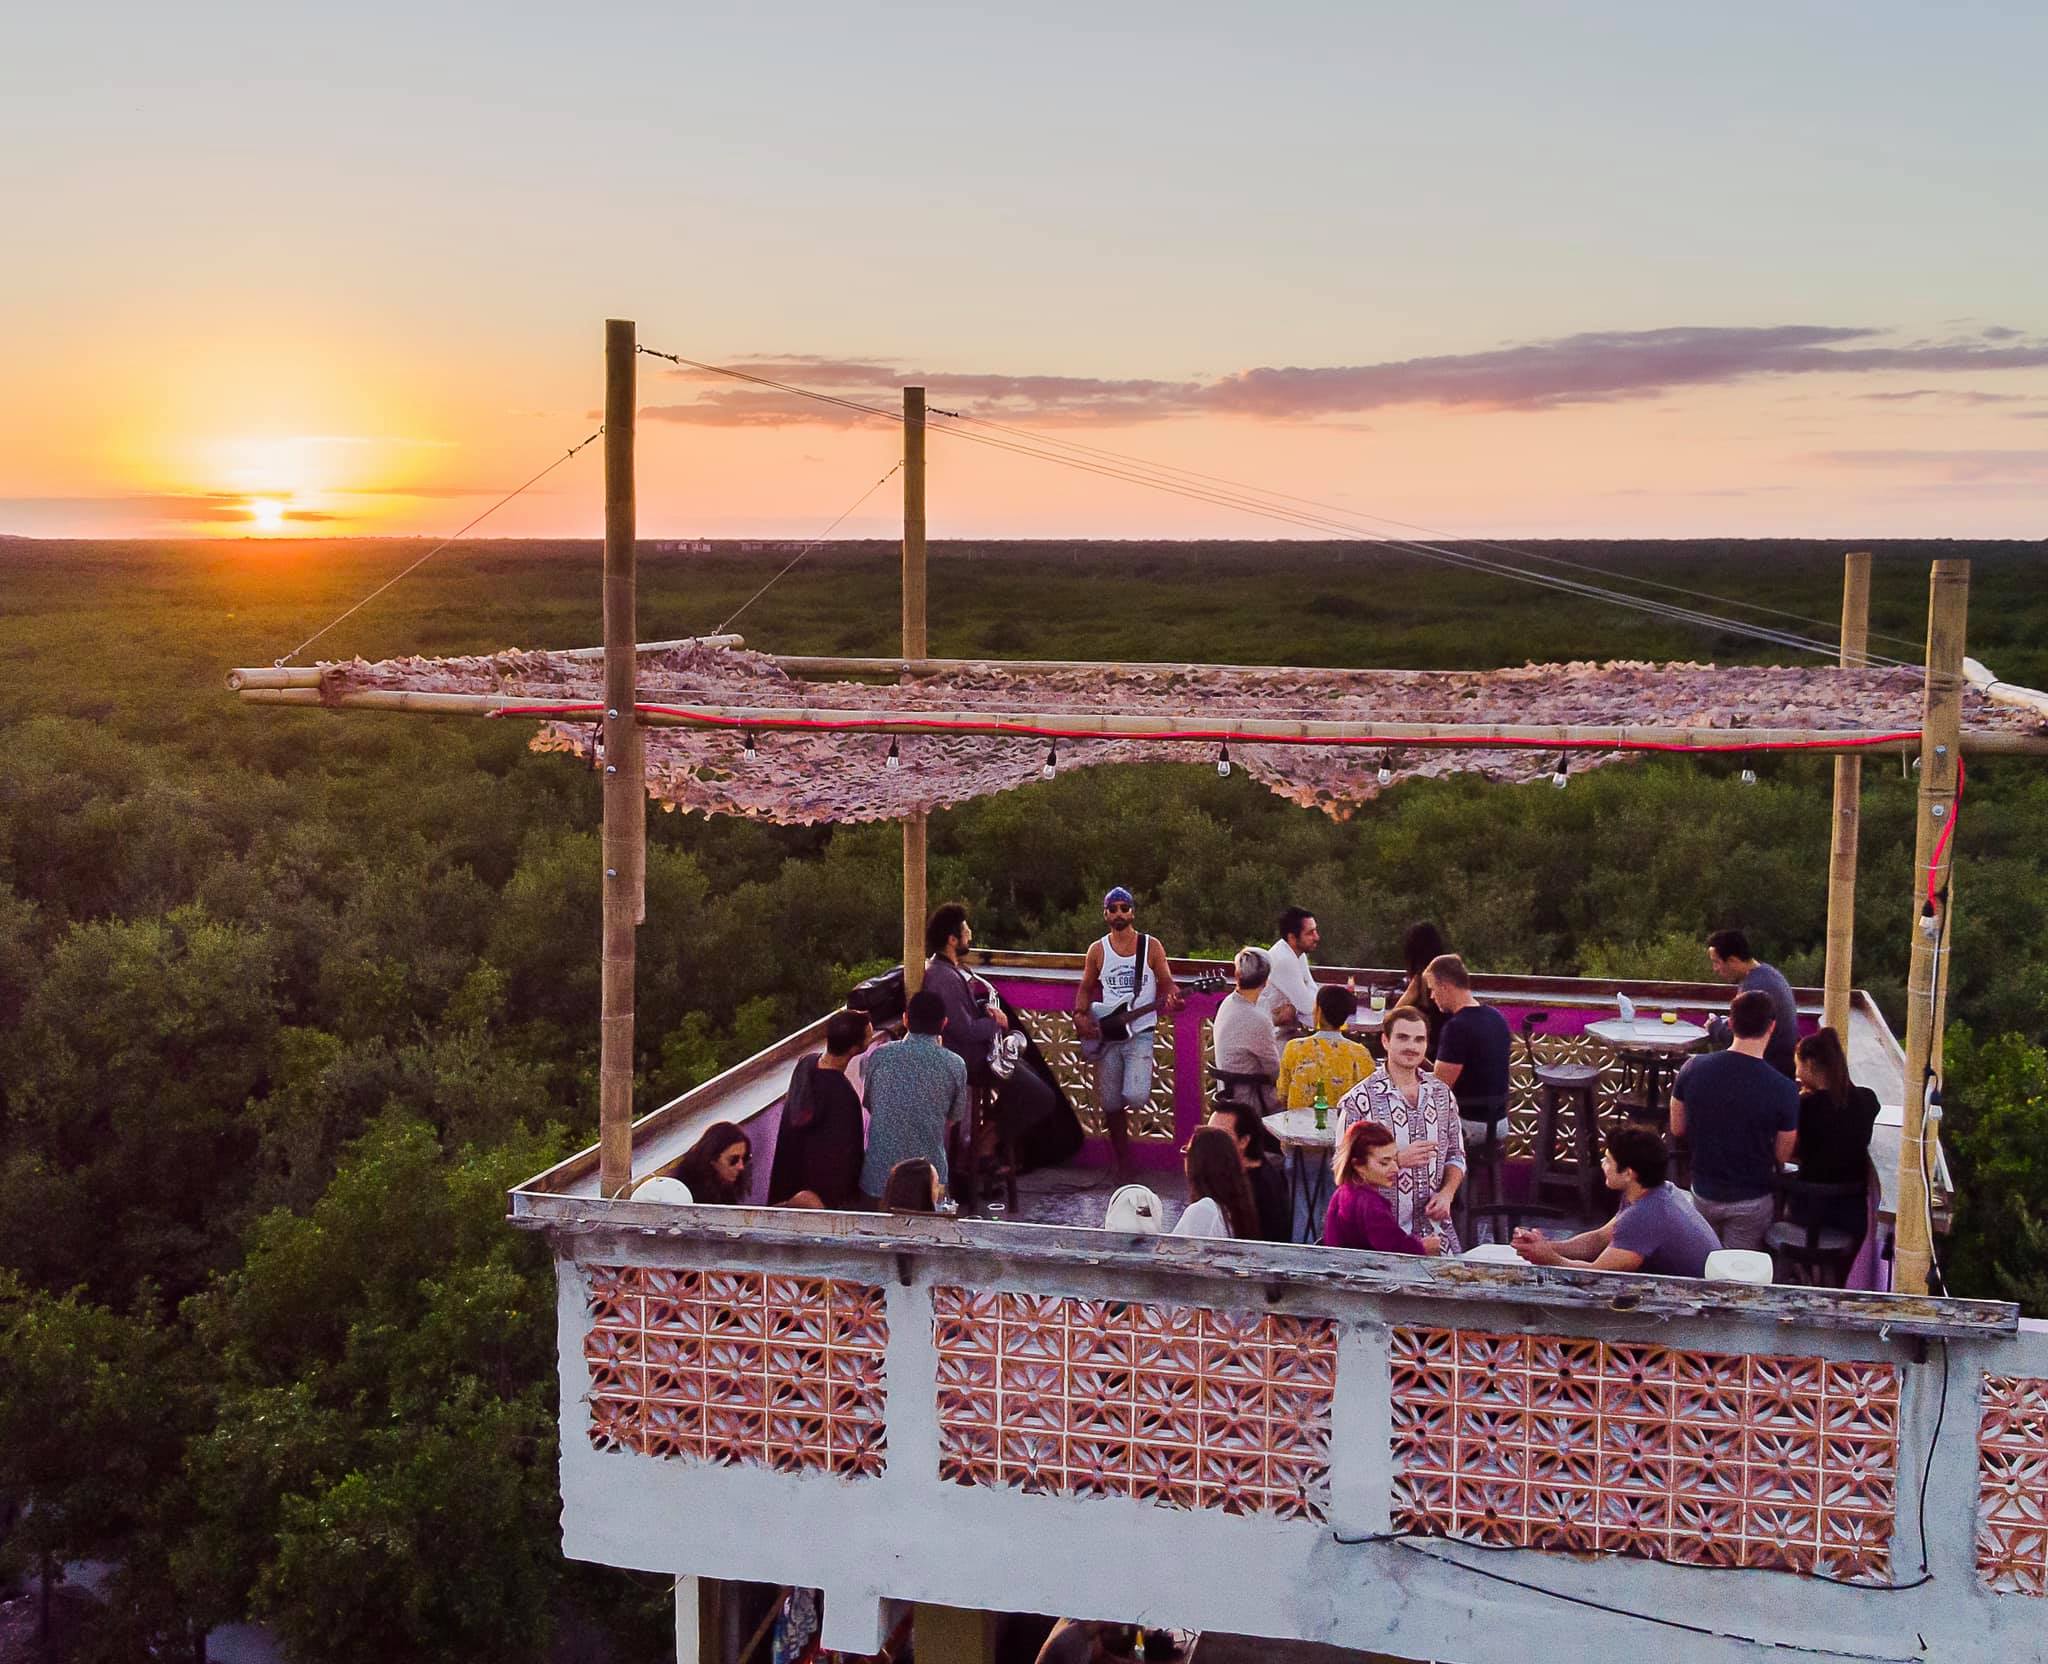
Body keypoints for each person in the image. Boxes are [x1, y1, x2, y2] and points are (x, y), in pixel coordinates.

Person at [1670, 988, 1800, 1250]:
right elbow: (1782, 1155)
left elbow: (1677, 1127)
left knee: (1701, 1264)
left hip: (1703, 1191)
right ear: (1771, 1027)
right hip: (1751, 1198)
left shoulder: (1693, 1068)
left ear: (1730, 1024)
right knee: (1736, 1275)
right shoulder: (1784, 1089)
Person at [923, 901, 1060, 1141]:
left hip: (977, 1054)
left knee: (1030, 1079)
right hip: (971, 1060)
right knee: (1041, 1097)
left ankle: (987, 1137)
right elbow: (964, 1030)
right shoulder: (943, 977)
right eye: (965, 931)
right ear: (952, 940)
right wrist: (997, 1023)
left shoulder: (948, 971)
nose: (970, 935)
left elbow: (960, 1014)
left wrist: (982, 1008)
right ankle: (986, 1140)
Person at [1334, 1005, 1465, 1254]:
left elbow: (1456, 1155)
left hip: (1436, 1235)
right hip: (1379, 1238)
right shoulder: (1358, 1101)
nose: (1412, 1046)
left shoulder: (1442, 1094)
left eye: (1419, 1039)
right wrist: (1397, 1160)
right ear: (1385, 1041)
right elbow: (1343, 1174)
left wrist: (1447, 1193)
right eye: (1403, 1038)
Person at [1513, 1124, 1722, 1276]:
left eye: (1608, 1160)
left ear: (1629, 1173)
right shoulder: (1655, 1191)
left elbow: (1596, 1275)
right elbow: (1599, 1239)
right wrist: (1547, 1246)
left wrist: (1549, 1259)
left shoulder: (1645, 1216)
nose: (1603, 1165)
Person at [1074, 885, 1183, 1176]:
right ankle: (1124, 1164)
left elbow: (1166, 981)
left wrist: (1172, 995)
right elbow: (1086, 987)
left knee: (1135, 1095)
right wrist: (1080, 1015)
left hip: (1141, 1032)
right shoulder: (1097, 950)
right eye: (1113, 909)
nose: (1119, 913)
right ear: (1106, 914)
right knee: (1110, 1102)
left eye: (1124, 908)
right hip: (1108, 1031)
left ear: (1133, 912)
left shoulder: (1151, 946)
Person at [859, 989, 971, 1203]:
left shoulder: (879, 1056)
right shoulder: (955, 1064)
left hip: (877, 1181)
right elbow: (953, 1118)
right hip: (929, 1184)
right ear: (944, 1023)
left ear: (905, 1019)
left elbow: (871, 1104)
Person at [767, 1008, 870, 1210]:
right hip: (818, 1202)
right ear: (855, 1049)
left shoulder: (806, 1066)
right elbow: (843, 1159)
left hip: (789, 1189)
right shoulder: (843, 1095)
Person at [1792, 1026, 1880, 1234]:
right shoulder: (1868, 1099)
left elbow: (1791, 1153)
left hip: (1810, 1209)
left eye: (1798, 1066)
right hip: (1853, 1211)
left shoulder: (1805, 1107)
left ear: (1810, 1064)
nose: (1796, 1074)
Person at [1423, 954, 1512, 1147]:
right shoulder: (1496, 1017)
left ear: (1445, 986)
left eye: (1433, 989)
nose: (1431, 996)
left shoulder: (1457, 1027)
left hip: (1472, 1125)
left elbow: (1439, 1088)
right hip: (1500, 1121)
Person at [1322, 1121, 1442, 1255]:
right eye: (1384, 1163)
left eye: (1394, 1160)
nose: (1396, 1168)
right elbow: (1395, 1250)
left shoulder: (1344, 1191)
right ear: (1358, 1165)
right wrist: (1423, 1247)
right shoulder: (1370, 1204)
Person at [1705, 929, 1800, 1078]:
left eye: (1716, 962)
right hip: (1783, 1068)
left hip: (1767, 1072)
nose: (1715, 969)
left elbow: (1742, 1039)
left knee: (1699, 1072)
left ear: (1732, 961)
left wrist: (1714, 1026)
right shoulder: (1769, 974)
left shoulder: (1754, 988)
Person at [1205, 1097, 1292, 1243]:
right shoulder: (1233, 1171)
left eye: (1220, 1135)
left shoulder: (1259, 1187)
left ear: (1244, 1141)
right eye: (1208, 1134)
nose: (1210, 1142)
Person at [1276, 984, 1374, 1111]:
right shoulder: (1360, 1053)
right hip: (1341, 1127)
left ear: (1318, 1011)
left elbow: (1282, 1094)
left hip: (1298, 1125)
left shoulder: (1294, 1048)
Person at [1211, 947, 1281, 1114]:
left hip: (1228, 1093)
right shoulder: (1256, 1019)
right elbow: (1274, 1072)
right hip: (1252, 1100)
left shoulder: (1228, 1003)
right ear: (1266, 981)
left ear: (1237, 976)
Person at [1170, 1125, 1261, 1239]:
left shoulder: (1204, 1211)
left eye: (1187, 1153)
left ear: (1199, 1163)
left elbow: (1172, 1253)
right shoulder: (1237, 1207)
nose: (1185, 1160)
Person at [1259, 905, 1321, 1035]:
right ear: (1292, 937)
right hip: (1269, 1035)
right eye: (1310, 933)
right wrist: (1300, 1002)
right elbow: (1308, 1007)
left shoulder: (1299, 954)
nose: (1316, 937)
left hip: (1287, 1029)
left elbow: (1313, 988)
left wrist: (1295, 1007)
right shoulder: (1284, 959)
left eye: (1315, 931)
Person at [1392, 922, 1449, 1058]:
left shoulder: (1422, 979)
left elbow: (1394, 1016)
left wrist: (1412, 989)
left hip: (1427, 1049)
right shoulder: (1446, 973)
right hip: (1442, 1045)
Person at [675, 1122, 753, 1205]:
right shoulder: (682, 1193)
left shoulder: (725, 1190)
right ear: (712, 1158)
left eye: (745, 1159)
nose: (741, 1167)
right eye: (733, 1159)